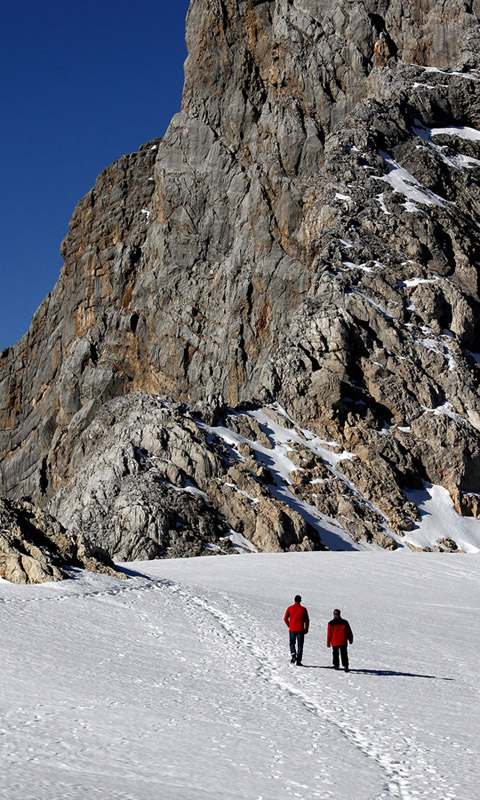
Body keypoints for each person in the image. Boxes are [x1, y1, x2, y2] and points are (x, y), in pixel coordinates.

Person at [284, 595, 309, 665]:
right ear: (300, 600)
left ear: (294, 600)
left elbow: (285, 618)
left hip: (292, 629)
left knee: (292, 643)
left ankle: (293, 654)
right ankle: (299, 660)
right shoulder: (303, 609)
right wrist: (306, 628)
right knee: (300, 645)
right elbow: (307, 620)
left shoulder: (290, 608)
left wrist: (289, 625)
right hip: (300, 629)